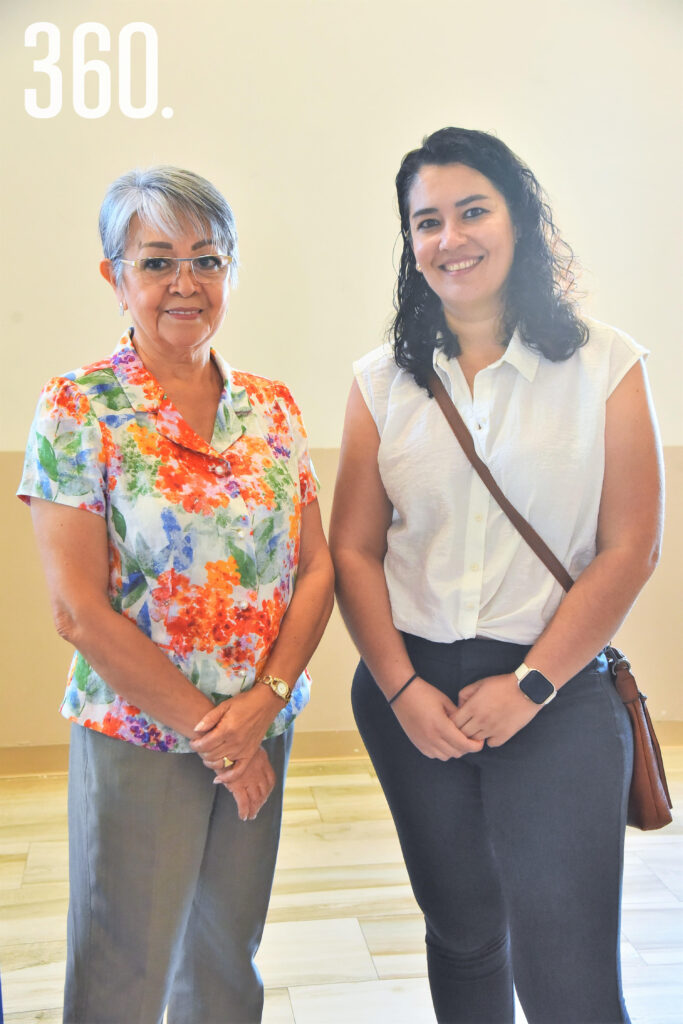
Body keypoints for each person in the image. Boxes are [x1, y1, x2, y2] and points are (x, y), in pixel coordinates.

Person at [330, 128, 663, 1024]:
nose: (451, 237)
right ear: (409, 242)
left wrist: (530, 683)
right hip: (412, 694)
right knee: (465, 935)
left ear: (518, 218)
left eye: (472, 210)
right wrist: (400, 690)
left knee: (569, 973)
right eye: (426, 221)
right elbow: (353, 550)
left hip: (551, 689)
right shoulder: (380, 381)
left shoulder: (605, 362)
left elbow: (629, 548)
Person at [18, 166, 334, 1024]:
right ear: (114, 277)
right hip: (143, 732)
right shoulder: (78, 407)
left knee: (227, 954)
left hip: (263, 720)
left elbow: (316, 568)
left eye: (207, 258)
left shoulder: (271, 409)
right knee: (125, 964)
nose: (185, 283)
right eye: (157, 262)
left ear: (231, 271)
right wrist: (219, 738)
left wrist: (261, 704)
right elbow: (79, 610)